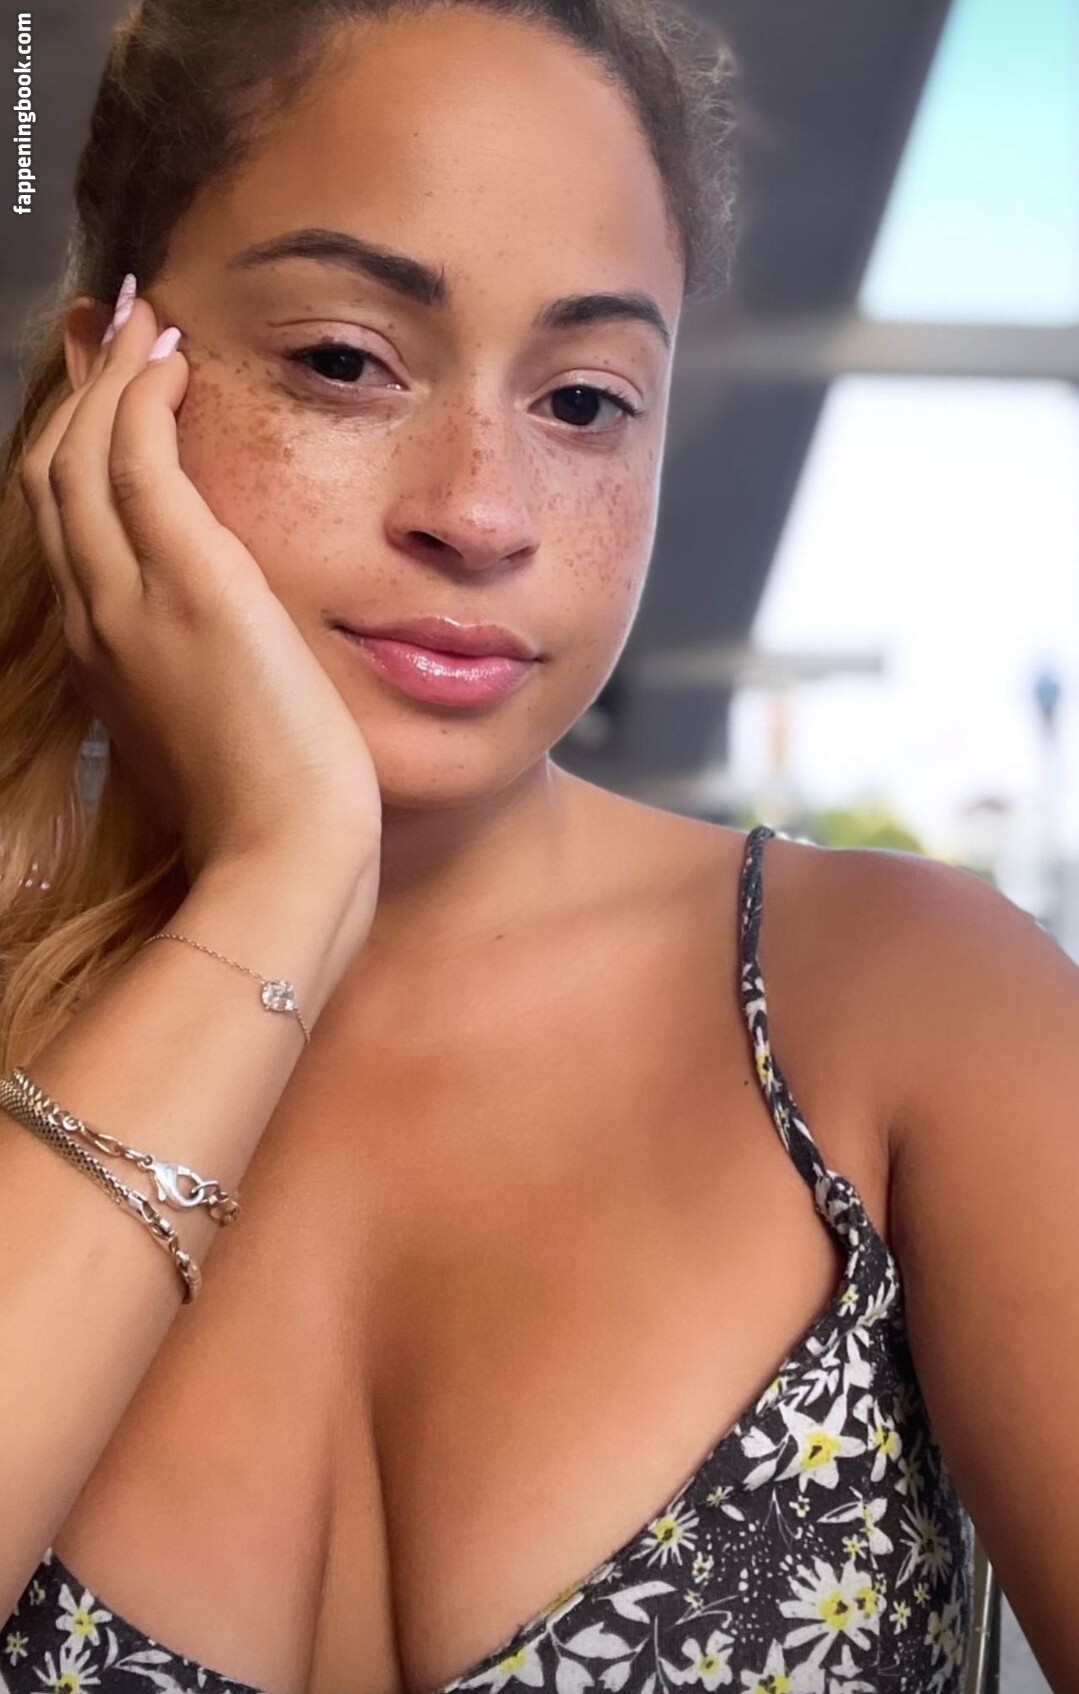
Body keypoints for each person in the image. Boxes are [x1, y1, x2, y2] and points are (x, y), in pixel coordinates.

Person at [1, 1, 1078, 1691]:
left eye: (583, 400)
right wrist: (283, 881)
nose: (480, 510)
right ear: (111, 382)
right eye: (345, 362)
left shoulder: (917, 1009)